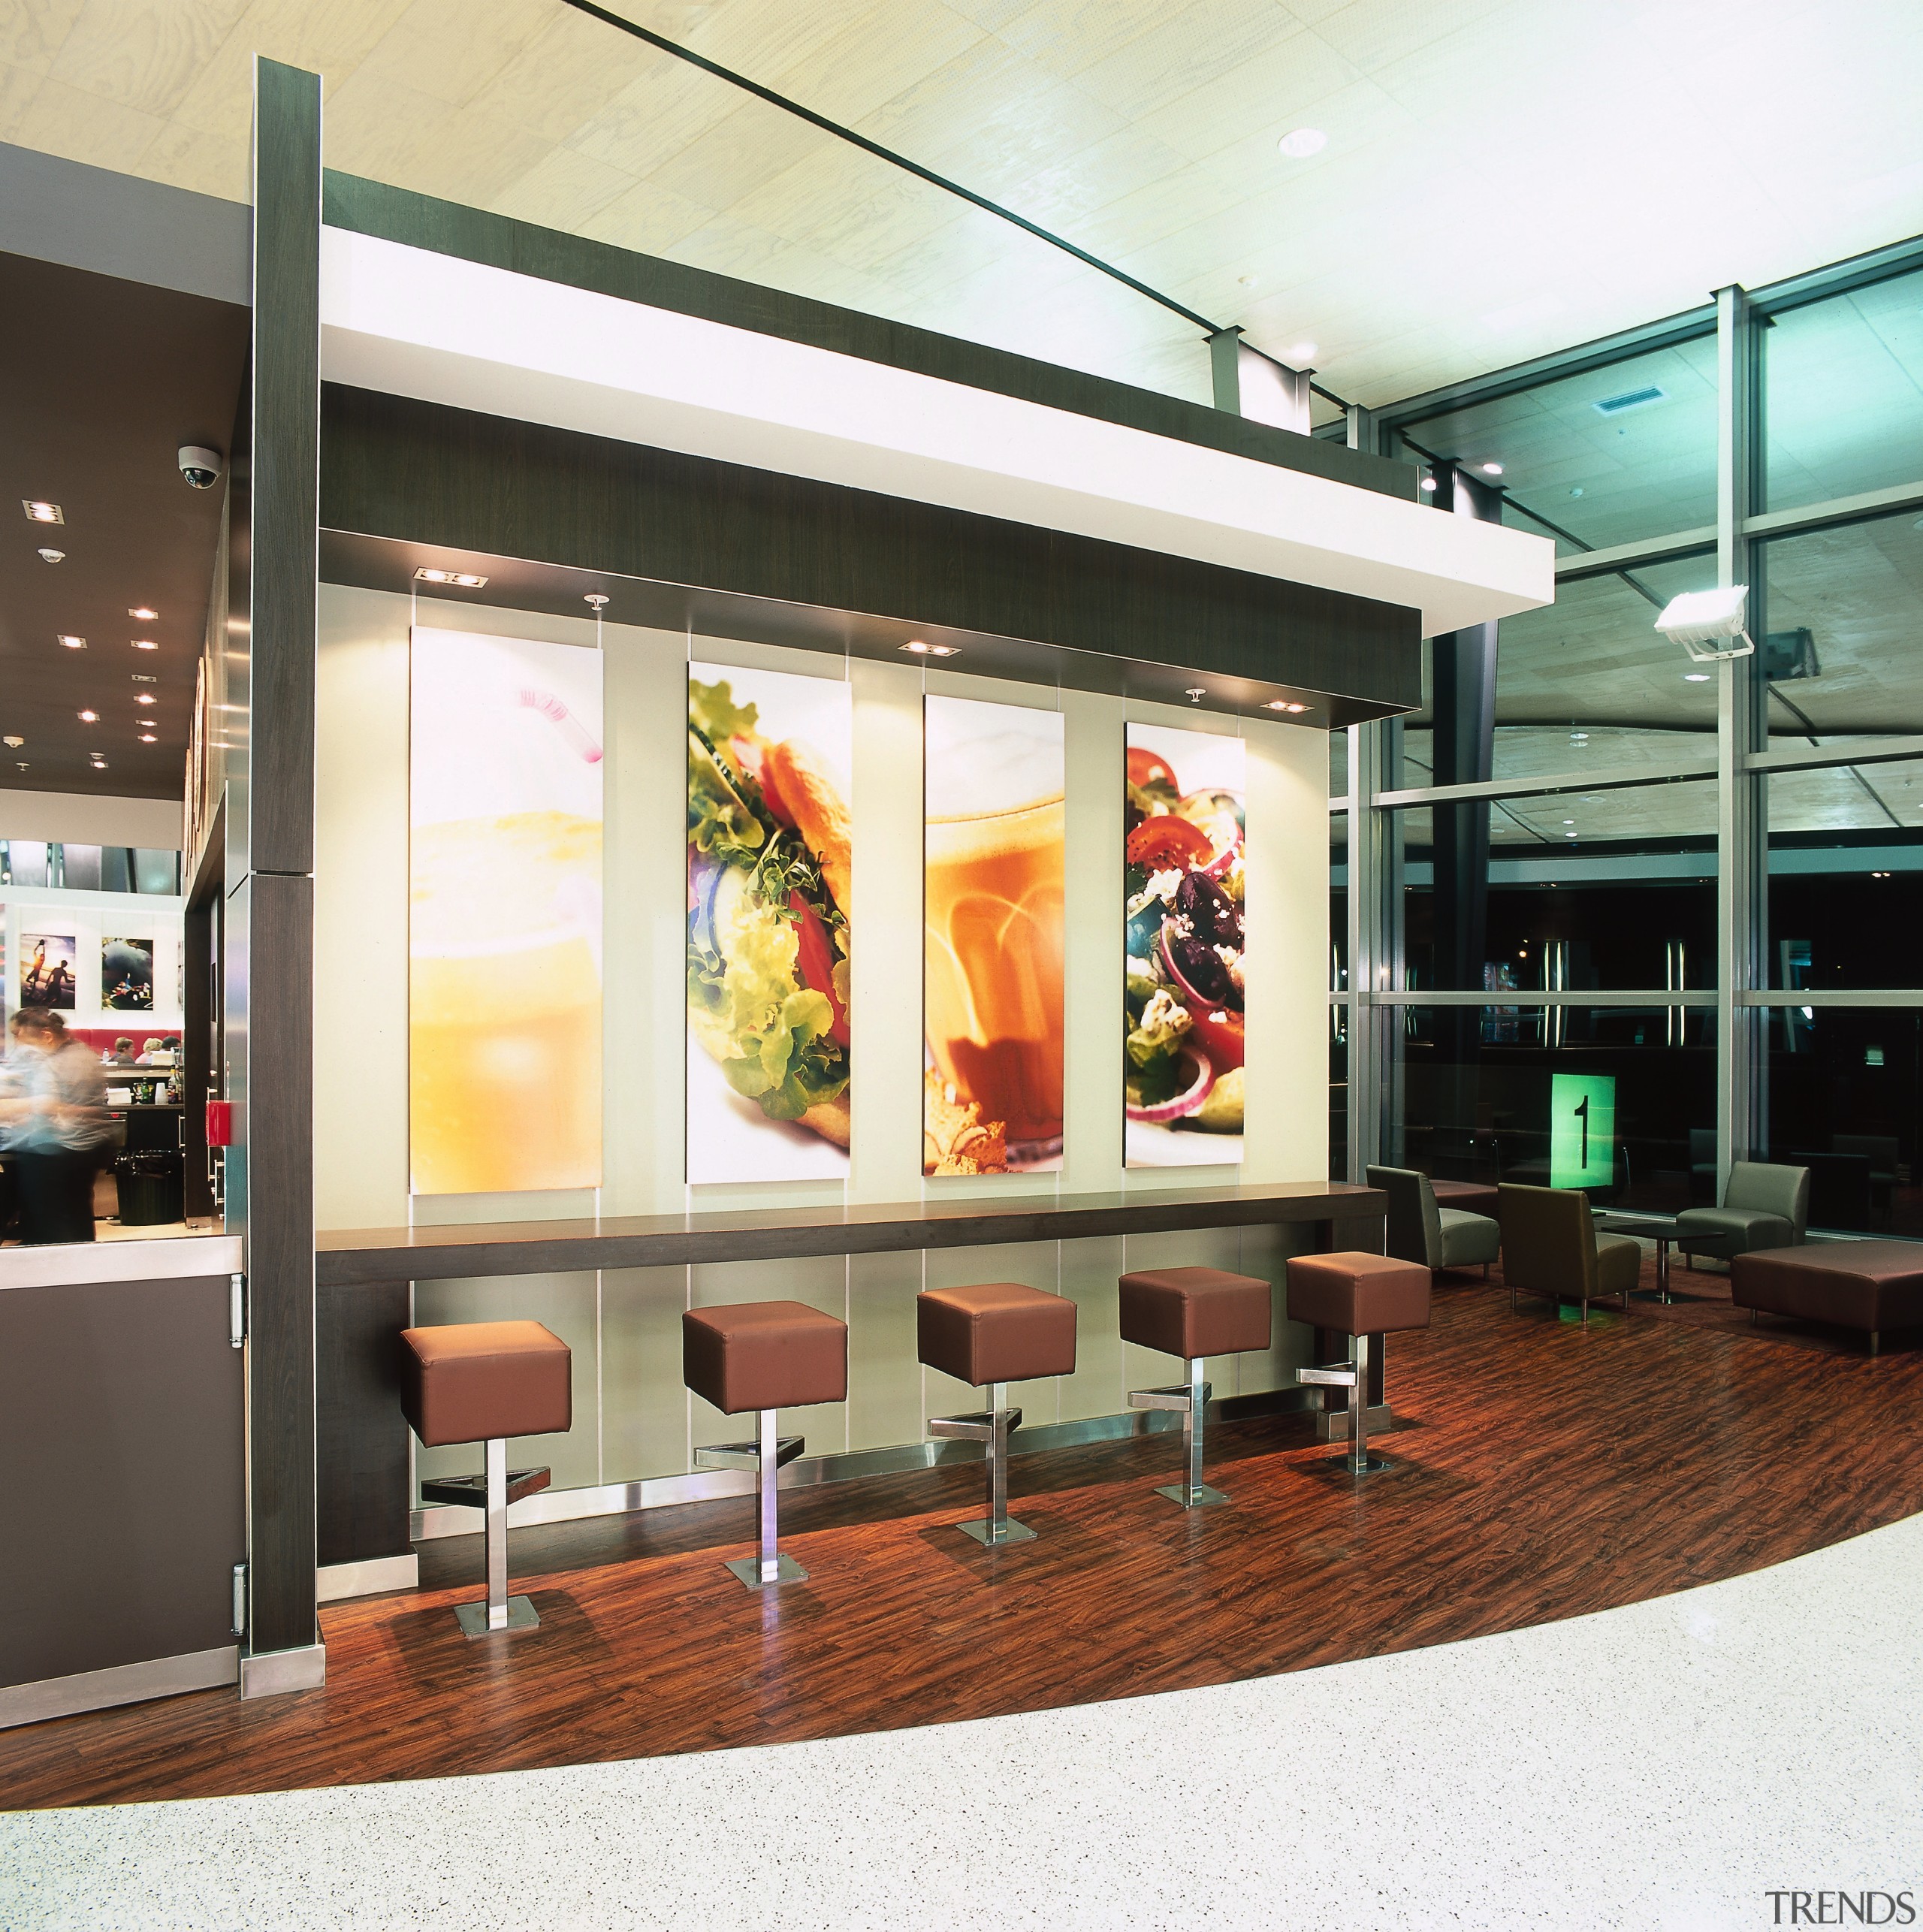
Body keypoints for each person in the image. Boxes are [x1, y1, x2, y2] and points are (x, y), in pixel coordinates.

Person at [1, 1009, 112, 1244]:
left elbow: (50, 1104)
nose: (18, 1043)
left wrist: (13, 1109)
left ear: (46, 1035)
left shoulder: (62, 1061)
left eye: (19, 1036)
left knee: (54, 1226)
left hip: (60, 1151)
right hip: (79, 1150)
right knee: (74, 1219)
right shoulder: (79, 1052)